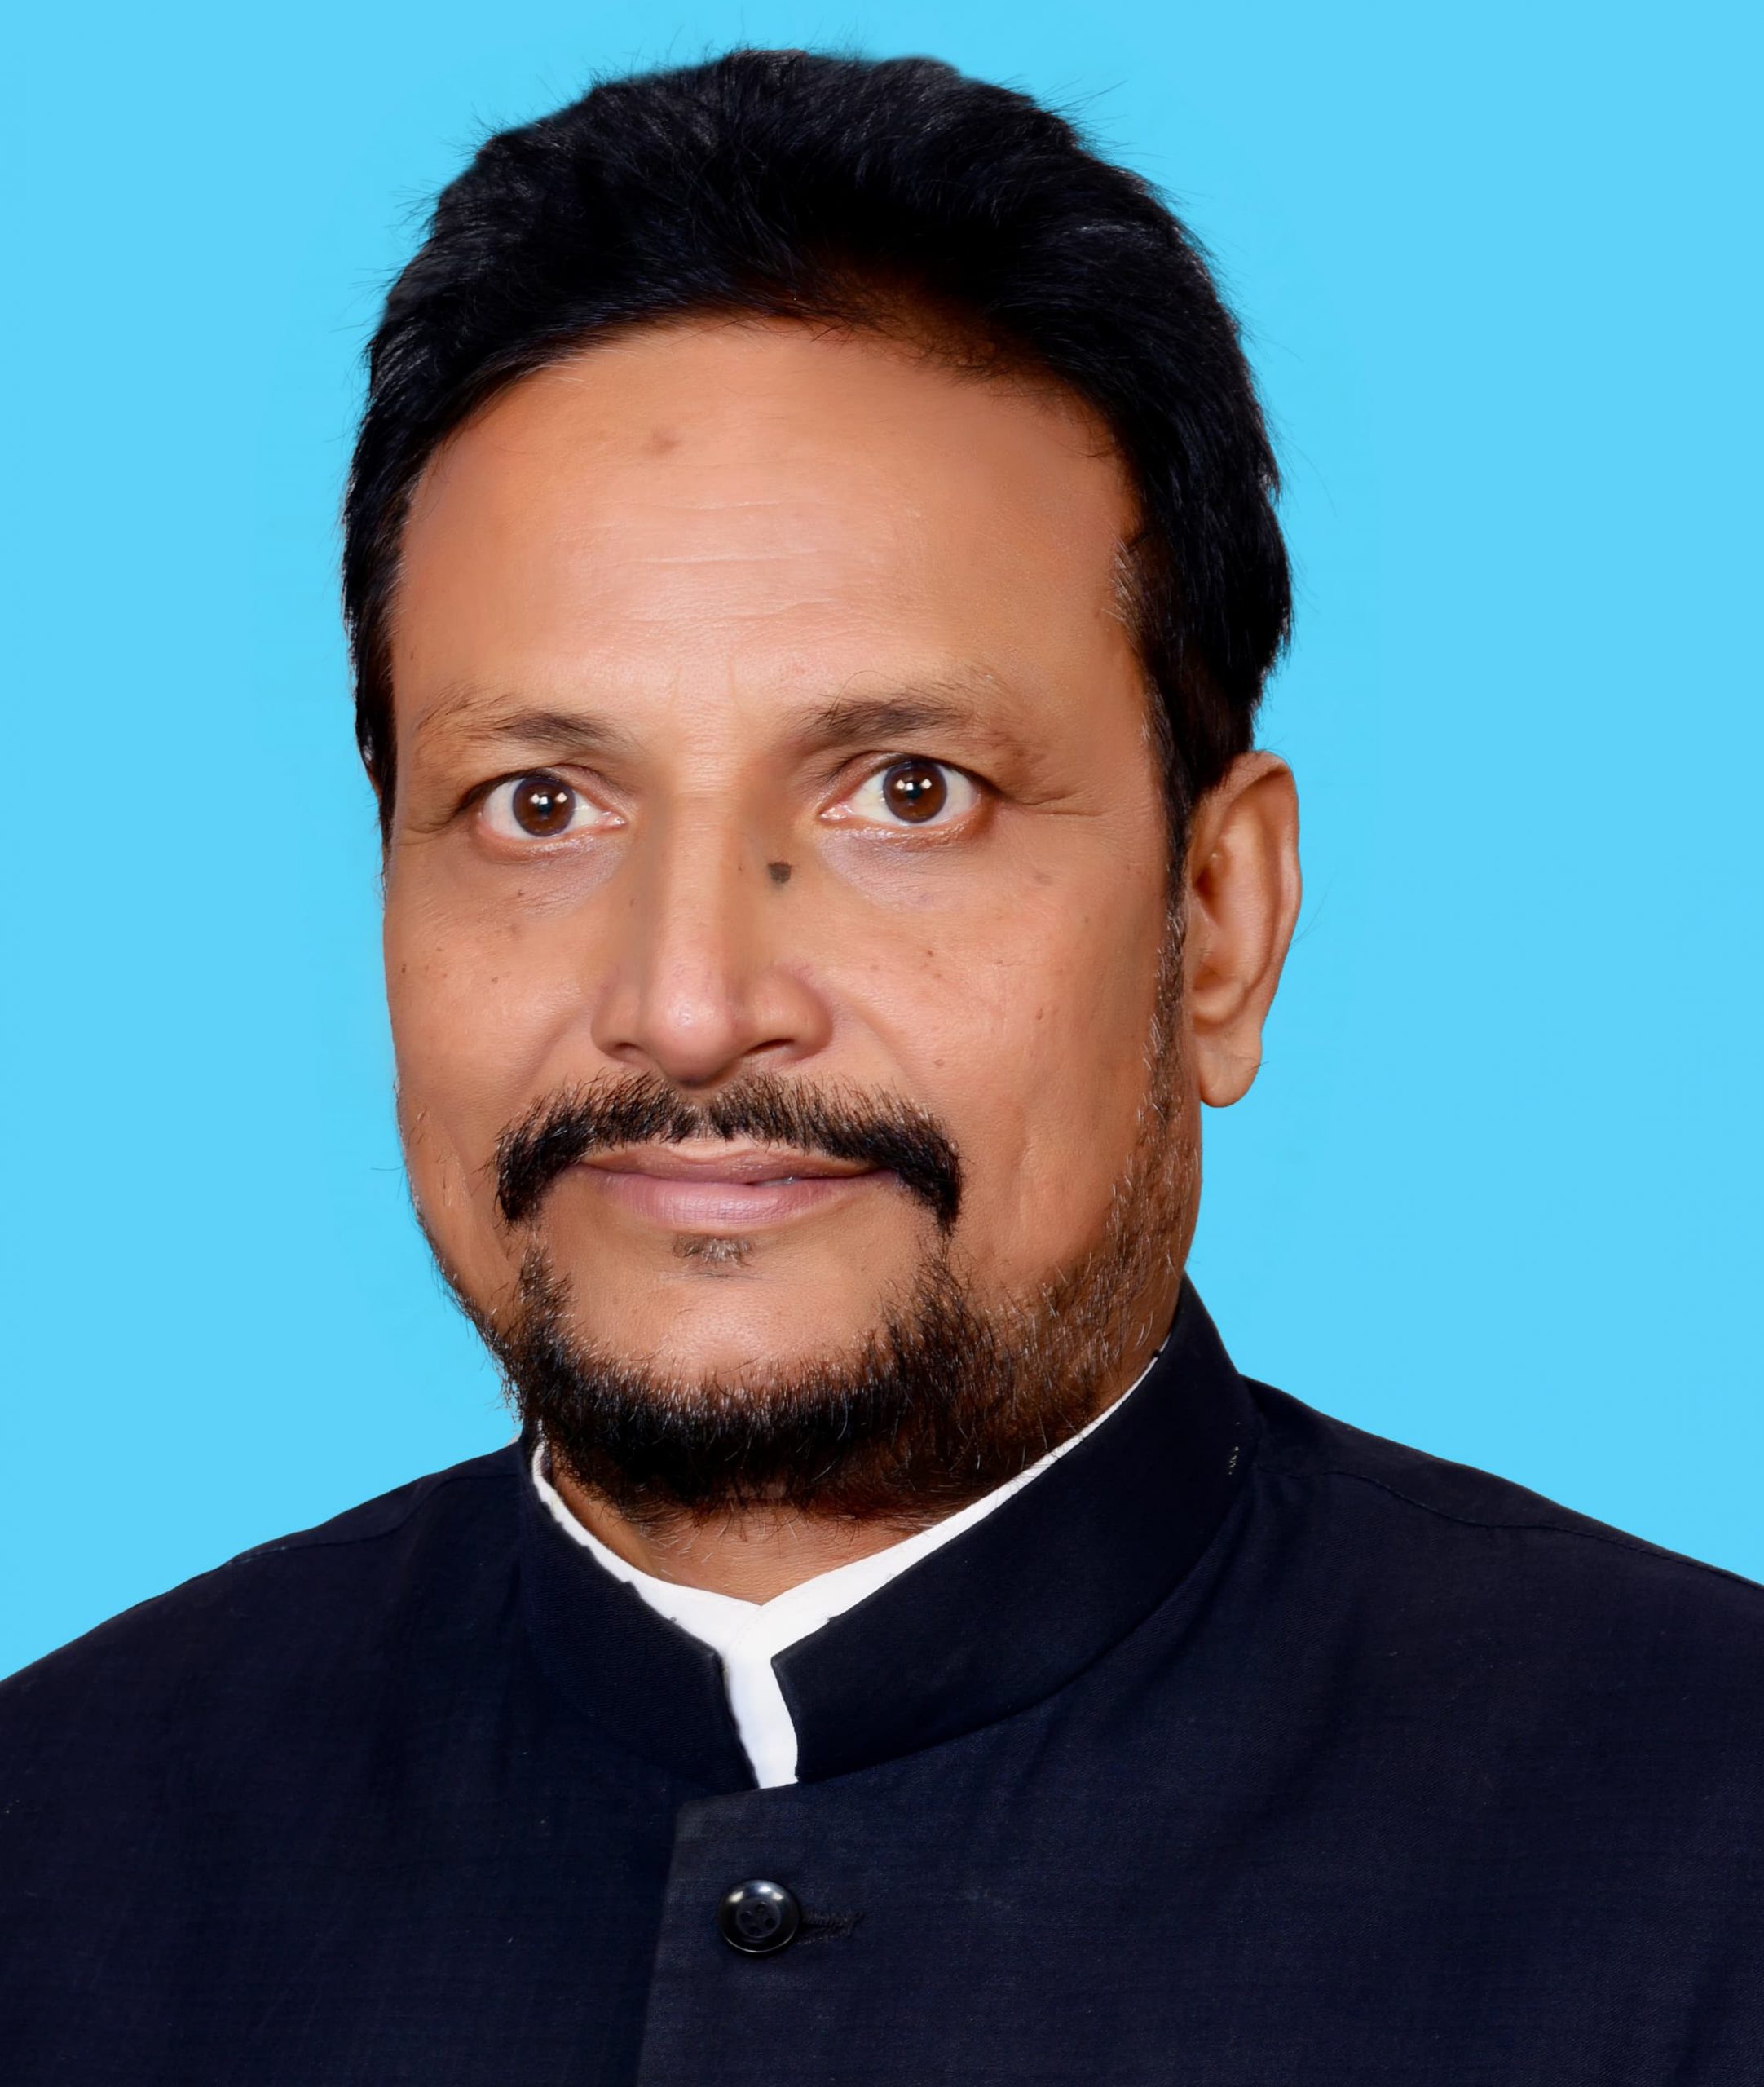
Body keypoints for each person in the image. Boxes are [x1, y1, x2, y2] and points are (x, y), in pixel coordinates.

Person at [2, 46, 1758, 2086]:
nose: (687, 1003)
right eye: (540, 803)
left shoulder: (1702, 1851)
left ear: (1216, 920)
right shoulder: (64, 1847)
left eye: (906, 791)